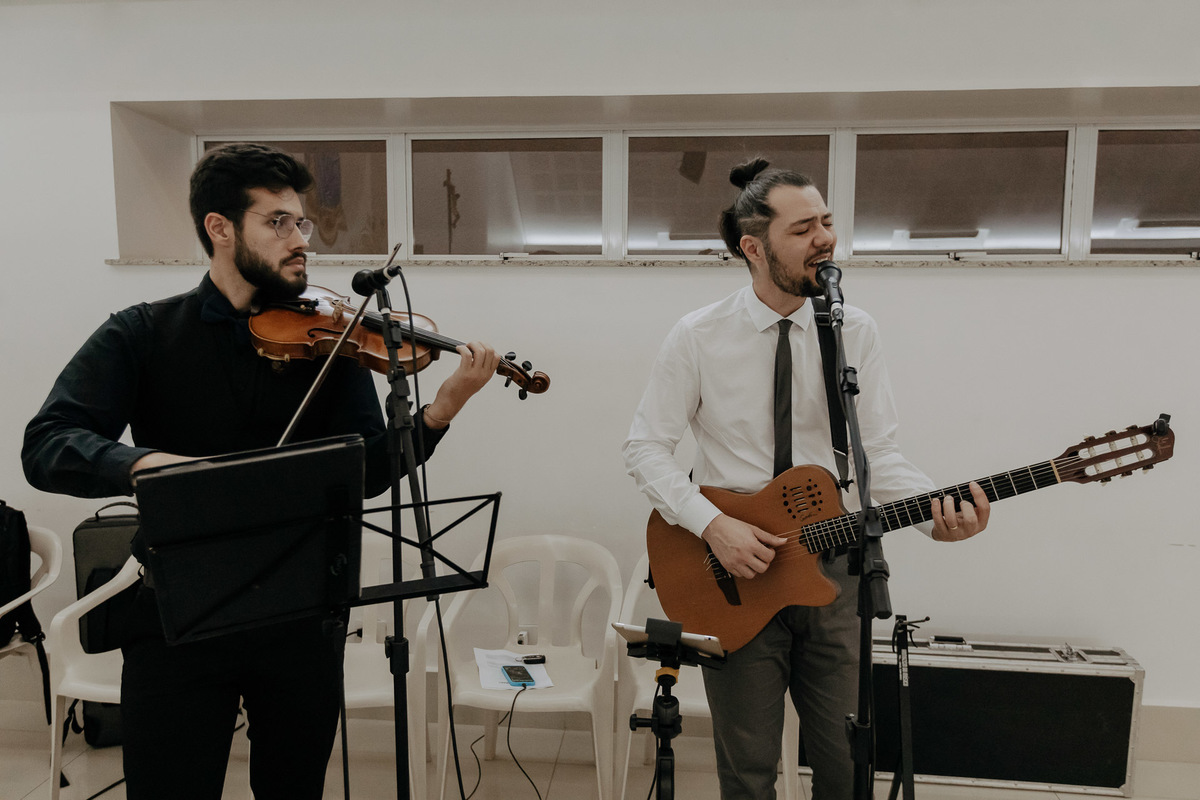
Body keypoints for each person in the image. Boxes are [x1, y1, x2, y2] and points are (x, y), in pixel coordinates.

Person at [22, 142, 499, 800]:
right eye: (277, 222)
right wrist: (140, 463)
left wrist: (440, 412)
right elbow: (47, 442)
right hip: (179, 615)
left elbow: (365, 470)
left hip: (301, 620)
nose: (299, 238)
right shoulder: (141, 334)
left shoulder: (332, 336)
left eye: (301, 223)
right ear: (220, 229)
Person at [622, 158, 990, 799]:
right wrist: (714, 527)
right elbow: (645, 448)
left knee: (846, 765)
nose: (824, 238)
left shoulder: (856, 331)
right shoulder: (699, 336)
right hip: (734, 572)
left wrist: (937, 516)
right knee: (749, 771)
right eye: (802, 229)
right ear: (753, 248)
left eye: (826, 222)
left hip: (837, 568)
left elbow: (877, 455)